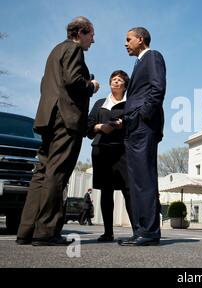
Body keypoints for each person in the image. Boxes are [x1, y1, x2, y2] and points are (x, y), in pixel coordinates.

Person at [16, 16, 100, 246]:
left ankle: (26, 230)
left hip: (48, 119)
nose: (93, 40)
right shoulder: (74, 49)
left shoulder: (54, 51)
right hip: (66, 119)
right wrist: (91, 86)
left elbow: (46, 84)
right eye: (91, 35)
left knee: (41, 172)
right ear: (81, 32)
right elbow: (74, 81)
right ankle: (46, 232)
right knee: (57, 172)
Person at [118, 27, 166, 246]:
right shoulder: (138, 63)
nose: (125, 43)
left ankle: (149, 231)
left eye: (128, 39)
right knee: (135, 180)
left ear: (140, 39)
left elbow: (158, 89)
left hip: (143, 126)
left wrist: (142, 115)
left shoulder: (153, 56)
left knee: (144, 178)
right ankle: (140, 230)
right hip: (132, 127)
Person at [87, 70, 135, 241]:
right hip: (102, 150)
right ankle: (108, 232)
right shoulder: (100, 103)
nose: (116, 82)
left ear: (125, 85)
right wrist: (100, 127)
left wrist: (124, 124)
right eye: (113, 79)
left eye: (120, 80)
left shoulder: (130, 103)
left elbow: (137, 125)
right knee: (106, 192)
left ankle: (137, 231)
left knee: (128, 191)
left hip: (123, 151)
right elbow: (88, 126)